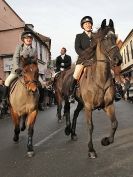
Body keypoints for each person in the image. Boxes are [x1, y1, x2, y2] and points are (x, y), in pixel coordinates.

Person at [1, 31, 38, 108]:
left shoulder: (34, 50)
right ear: (23, 39)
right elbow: (15, 58)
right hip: (18, 70)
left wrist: (34, 66)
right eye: (27, 38)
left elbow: (35, 61)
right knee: (7, 81)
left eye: (30, 38)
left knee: (41, 84)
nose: (29, 39)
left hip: (29, 72)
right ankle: (4, 100)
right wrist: (17, 68)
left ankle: (39, 102)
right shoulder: (19, 47)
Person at [69, 16, 94, 102]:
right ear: (83, 26)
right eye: (86, 24)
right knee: (76, 74)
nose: (88, 25)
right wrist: (86, 56)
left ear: (91, 25)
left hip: (95, 59)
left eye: (89, 23)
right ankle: (71, 94)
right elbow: (77, 48)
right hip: (83, 60)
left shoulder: (96, 36)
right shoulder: (79, 36)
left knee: (111, 72)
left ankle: (115, 91)